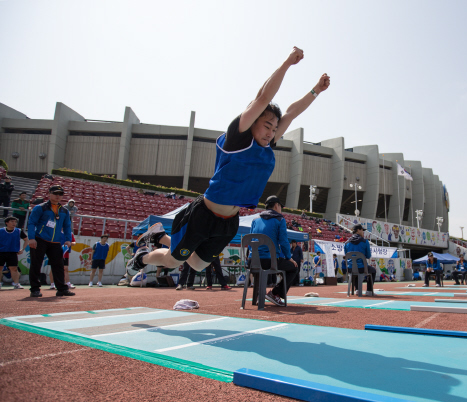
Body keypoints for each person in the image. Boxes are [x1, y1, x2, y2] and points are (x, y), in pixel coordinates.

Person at [127, 46, 330, 278]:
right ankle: (143, 256)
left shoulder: (266, 146)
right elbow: (263, 97)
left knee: (198, 265)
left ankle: (159, 237)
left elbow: (291, 113)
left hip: (230, 220)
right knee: (174, 259)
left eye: (274, 128)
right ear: (253, 121)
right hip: (204, 214)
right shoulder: (238, 138)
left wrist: (316, 90)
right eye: (267, 125)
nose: (271, 132)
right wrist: (286, 64)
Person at [248, 195, 298, 306]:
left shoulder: (255, 220)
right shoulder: (280, 219)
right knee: (294, 268)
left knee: (260, 268)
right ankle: (275, 294)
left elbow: (250, 242)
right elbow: (284, 241)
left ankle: (257, 294)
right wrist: (289, 258)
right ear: (276, 205)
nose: (281, 209)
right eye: (280, 206)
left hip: (252, 261)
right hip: (269, 261)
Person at [27, 184, 74, 297]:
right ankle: (35, 289)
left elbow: (67, 226)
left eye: (60, 194)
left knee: (58, 266)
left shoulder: (64, 211)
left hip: (55, 242)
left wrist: (68, 239)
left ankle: (61, 289)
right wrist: (32, 238)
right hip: (40, 239)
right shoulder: (40, 207)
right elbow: (32, 223)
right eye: (55, 193)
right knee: (36, 265)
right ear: (49, 194)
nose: (58, 196)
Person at [344, 224, 376, 295]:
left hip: (350, 268)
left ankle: (357, 289)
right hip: (362, 268)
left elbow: (346, 255)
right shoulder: (365, 242)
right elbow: (368, 256)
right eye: (362, 230)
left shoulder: (346, 243)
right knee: (373, 270)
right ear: (358, 230)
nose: (363, 232)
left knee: (354, 268)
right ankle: (369, 291)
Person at [0, 216, 28, 289]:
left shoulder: (18, 231)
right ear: (6, 223)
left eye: (15, 222)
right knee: (0, 268)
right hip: (1, 252)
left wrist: (23, 249)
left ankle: (16, 284)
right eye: (12, 221)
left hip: (12, 253)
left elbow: (26, 239)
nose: (14, 223)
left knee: (14, 269)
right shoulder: (1, 231)